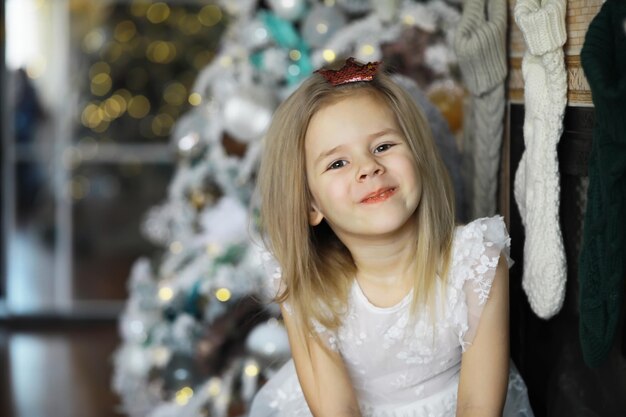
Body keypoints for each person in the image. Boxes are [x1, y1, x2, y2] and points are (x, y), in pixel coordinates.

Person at [250, 57, 533, 417]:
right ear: (310, 204)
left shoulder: (475, 263)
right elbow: (337, 410)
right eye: (338, 163)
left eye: (383, 146)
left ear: (418, 157)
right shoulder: (305, 281)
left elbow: (478, 407)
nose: (369, 167)